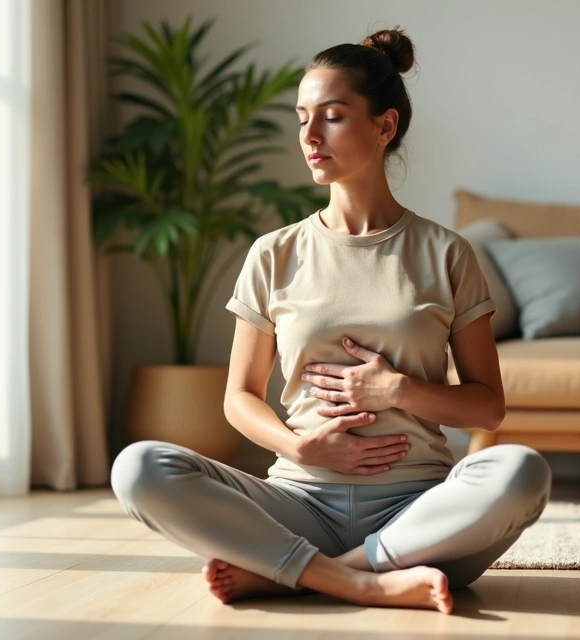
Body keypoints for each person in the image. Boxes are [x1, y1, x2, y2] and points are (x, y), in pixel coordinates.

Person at [111, 27, 551, 615]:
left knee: (520, 470)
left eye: (333, 116)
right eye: (302, 119)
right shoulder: (274, 253)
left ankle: (305, 573)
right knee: (138, 467)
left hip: (419, 516)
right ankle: (362, 582)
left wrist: (398, 390)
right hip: (299, 502)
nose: (310, 136)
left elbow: (487, 407)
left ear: (385, 126)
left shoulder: (446, 253)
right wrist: (300, 447)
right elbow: (239, 396)